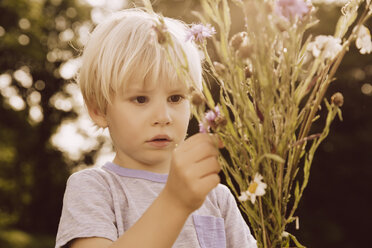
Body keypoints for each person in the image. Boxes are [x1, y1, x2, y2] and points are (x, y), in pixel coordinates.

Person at [55, 8, 257, 248]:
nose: (163, 117)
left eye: (175, 98)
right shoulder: (95, 189)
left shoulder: (217, 197)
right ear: (99, 110)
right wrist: (175, 202)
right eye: (140, 99)